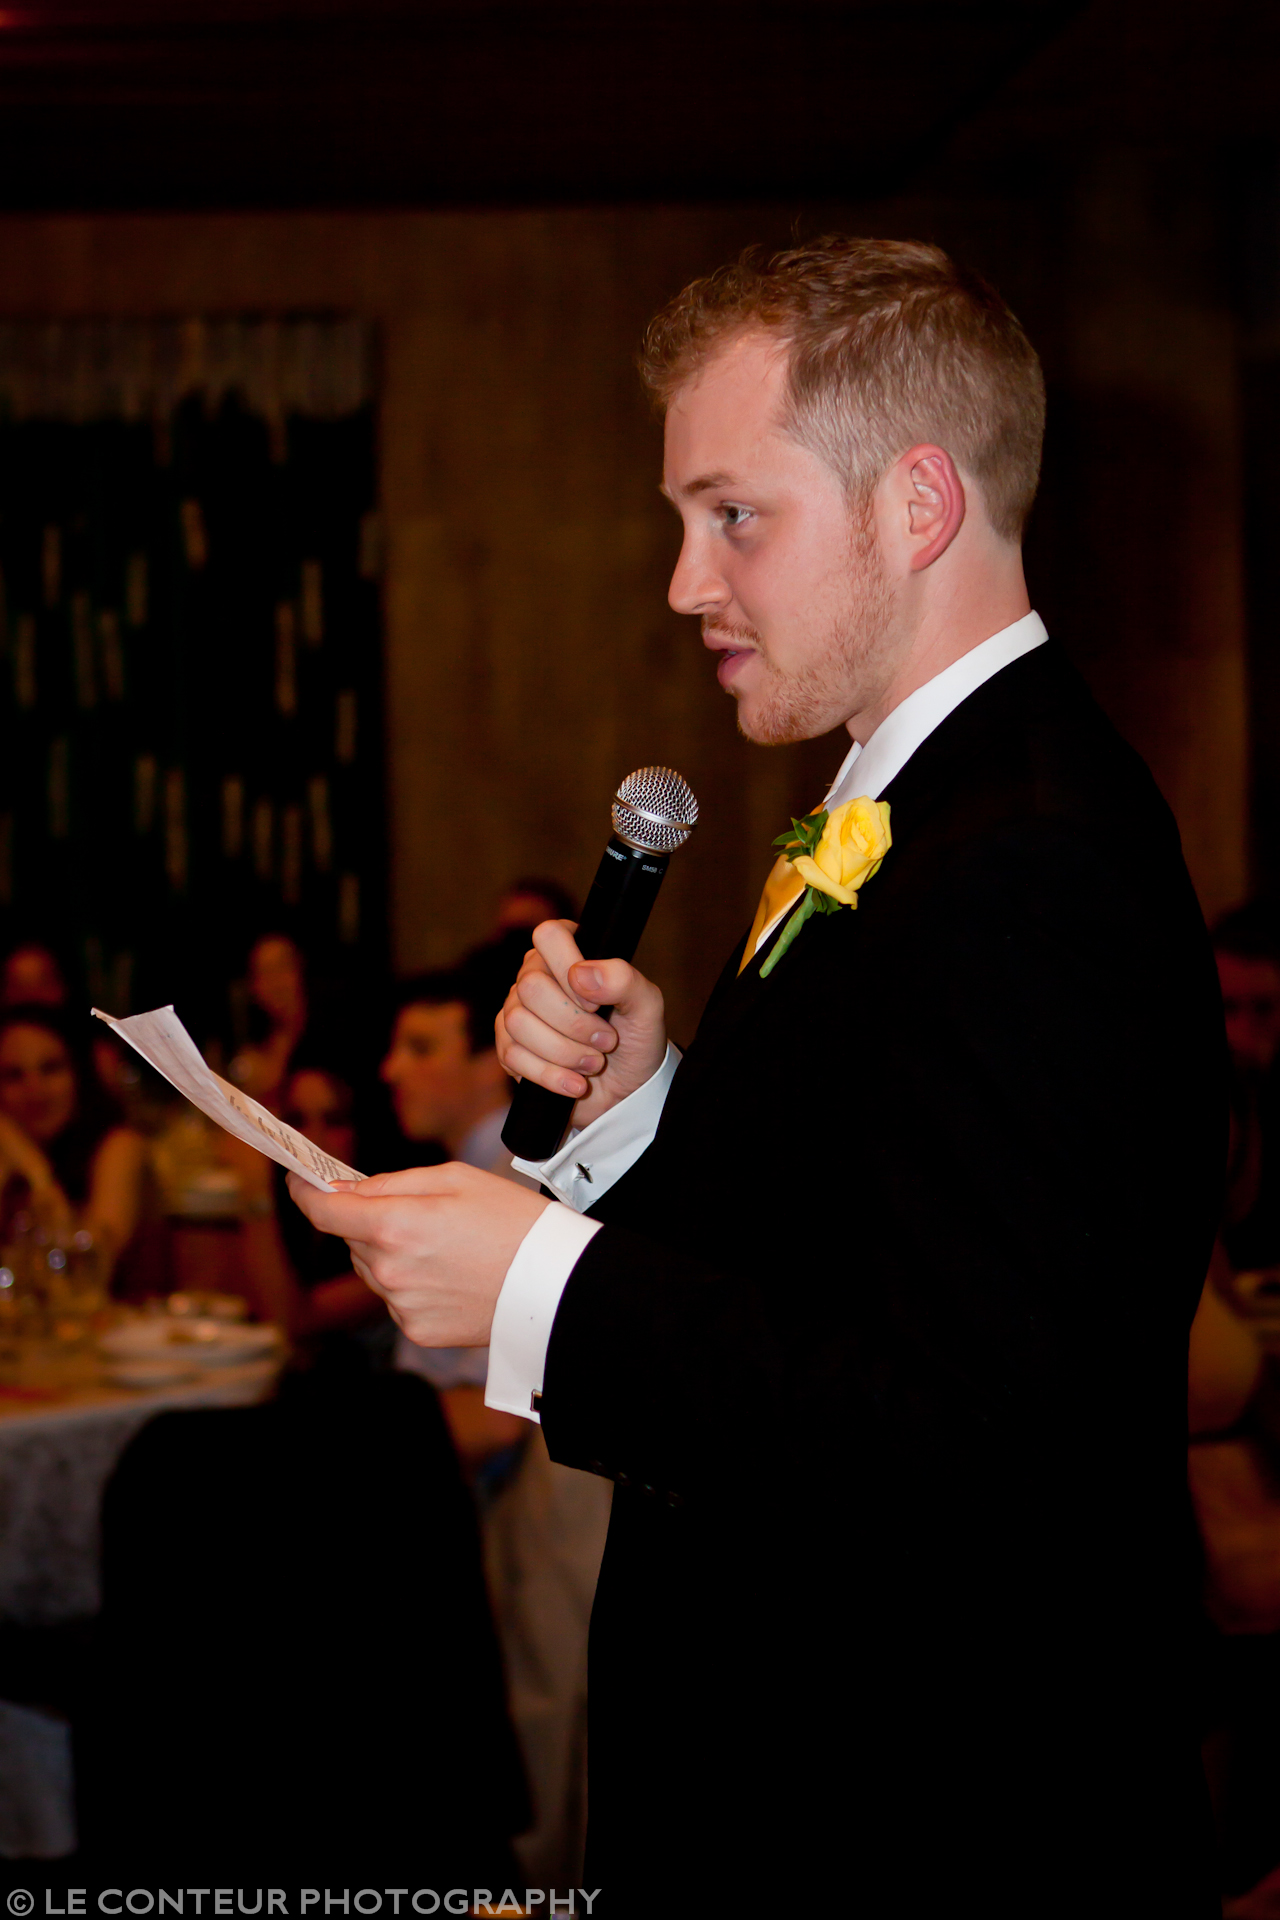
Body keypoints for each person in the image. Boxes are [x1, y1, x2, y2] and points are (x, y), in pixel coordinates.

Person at [291, 239, 1226, 1915]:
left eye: (733, 515)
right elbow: (850, 1257)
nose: (683, 582)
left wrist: (544, 1288)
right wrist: (645, 1106)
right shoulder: (921, 799)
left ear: (916, 504)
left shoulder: (1032, 853)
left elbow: (974, 1446)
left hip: (924, 1815)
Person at [385, 939, 612, 1885]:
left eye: (423, 1047)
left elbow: (506, 1409)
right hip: (507, 1485)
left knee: (541, 1713)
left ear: (493, 1061)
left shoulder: (516, 1173)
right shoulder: (481, 1163)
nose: (392, 1069)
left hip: (543, 1486)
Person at [0, 1004, 147, 1277]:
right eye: (14, 1075)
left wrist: (36, 1173)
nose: (34, 1089)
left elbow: (88, 1265)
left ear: (80, 1073)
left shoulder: (119, 1146)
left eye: (50, 1069)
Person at [229, 933, 310, 1113]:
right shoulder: (258, 1038)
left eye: (282, 968)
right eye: (264, 973)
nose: (275, 982)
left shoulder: (330, 1035)